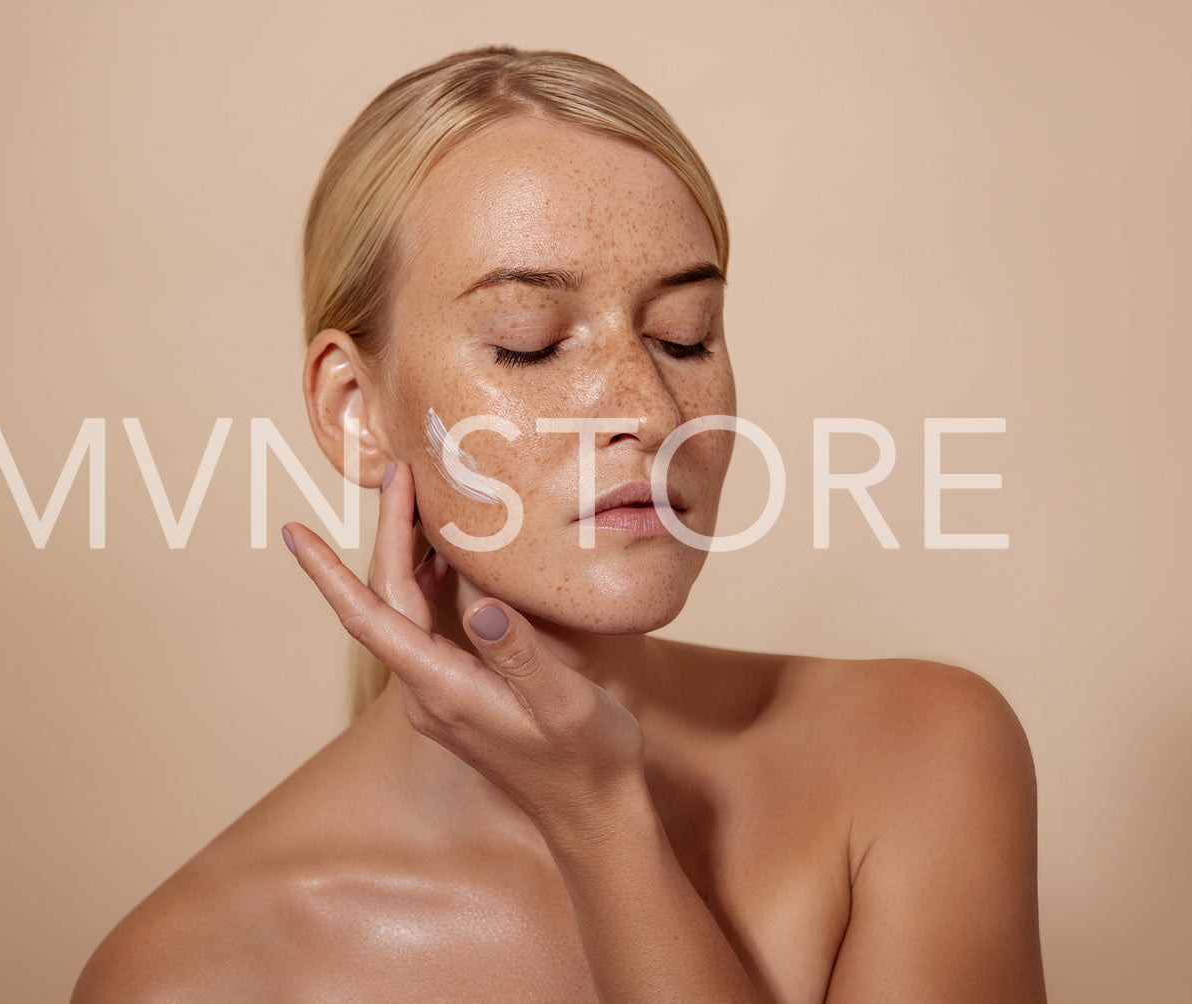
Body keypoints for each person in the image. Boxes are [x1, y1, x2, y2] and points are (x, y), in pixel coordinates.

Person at [72, 46, 1044, 1002]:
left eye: (683, 335)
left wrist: (601, 816)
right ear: (354, 412)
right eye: (527, 345)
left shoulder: (916, 754)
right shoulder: (199, 969)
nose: (653, 412)